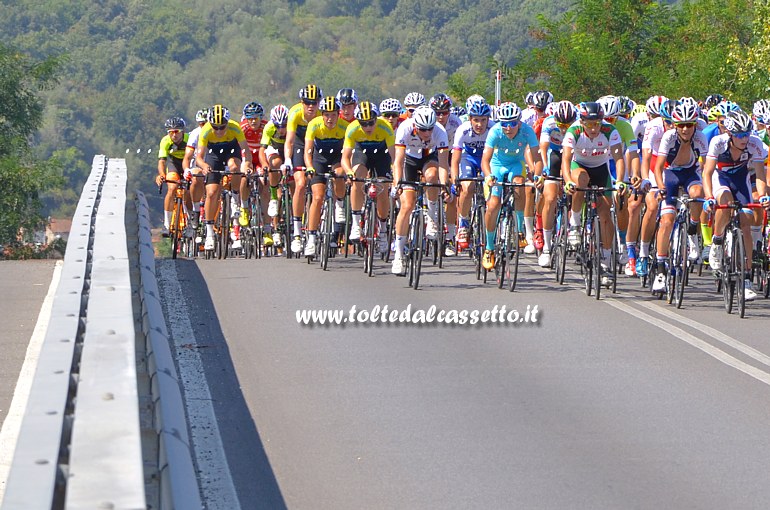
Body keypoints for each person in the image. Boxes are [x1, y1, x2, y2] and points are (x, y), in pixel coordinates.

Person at [703, 109, 770, 301]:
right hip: (720, 178)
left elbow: (759, 175)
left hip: (741, 180)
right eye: (740, 135)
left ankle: (747, 278)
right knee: (725, 202)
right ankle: (716, 241)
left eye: (747, 134)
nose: (744, 139)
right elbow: (707, 173)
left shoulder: (755, 144)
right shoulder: (718, 142)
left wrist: (763, 196)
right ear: (730, 134)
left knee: (746, 223)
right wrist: (708, 197)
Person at [562, 101, 626, 286]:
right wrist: (568, 182)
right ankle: (574, 224)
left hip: (600, 169)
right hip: (579, 166)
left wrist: (620, 180)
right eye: (589, 124)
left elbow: (618, 158)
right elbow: (566, 160)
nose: (593, 128)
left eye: (597, 123)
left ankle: (606, 262)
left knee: (606, 216)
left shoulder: (610, 131)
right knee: (580, 181)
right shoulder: (573, 131)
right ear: (582, 122)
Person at [650, 101, 707, 292]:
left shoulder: (700, 137)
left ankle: (692, 230)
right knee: (667, 220)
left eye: (689, 124)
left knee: (697, 194)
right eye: (681, 124)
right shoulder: (668, 137)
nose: (685, 129)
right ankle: (660, 270)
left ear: (695, 125)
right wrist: (660, 187)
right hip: (671, 174)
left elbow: (706, 167)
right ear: (674, 125)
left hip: (691, 173)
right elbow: (658, 168)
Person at [480, 102, 542, 271]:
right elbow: (485, 160)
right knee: (493, 205)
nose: (508, 128)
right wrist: (488, 177)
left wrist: (537, 175)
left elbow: (537, 159)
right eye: (504, 124)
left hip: (516, 164)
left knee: (520, 185)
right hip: (496, 166)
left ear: (519, 122)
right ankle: (489, 247)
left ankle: (520, 229)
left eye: (512, 123)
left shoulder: (527, 131)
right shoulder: (495, 131)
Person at [391, 105, 450, 275]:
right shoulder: (405, 128)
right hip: (409, 159)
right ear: (415, 126)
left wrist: (445, 185)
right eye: (423, 129)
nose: (427, 133)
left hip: (428, 157)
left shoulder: (439, 131)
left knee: (432, 176)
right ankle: (398, 255)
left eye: (429, 129)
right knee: (407, 206)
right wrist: (398, 184)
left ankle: (432, 216)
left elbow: (443, 164)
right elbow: (398, 162)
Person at [195, 104, 253, 251]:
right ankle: (209, 234)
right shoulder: (206, 131)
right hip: (213, 154)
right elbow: (199, 158)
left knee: (234, 167)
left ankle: (234, 199)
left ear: (227, 123)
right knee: (212, 193)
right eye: (216, 127)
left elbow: (245, 149)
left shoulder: (235, 128)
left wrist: (247, 164)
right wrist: (204, 166)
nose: (219, 130)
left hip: (231, 150)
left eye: (222, 127)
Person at [341, 101, 395, 251]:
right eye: (364, 124)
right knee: (357, 178)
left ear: (376, 119)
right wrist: (349, 173)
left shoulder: (385, 127)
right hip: (361, 153)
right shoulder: (352, 129)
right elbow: (345, 158)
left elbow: (394, 156)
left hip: (381, 156)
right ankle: (356, 223)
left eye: (371, 123)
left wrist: (394, 172)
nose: (368, 127)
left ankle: (383, 230)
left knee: (383, 188)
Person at [303, 96, 350, 257]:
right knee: (317, 197)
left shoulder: (345, 127)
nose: (330, 119)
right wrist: (309, 167)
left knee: (339, 173)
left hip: (337, 158)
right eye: (327, 115)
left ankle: (339, 202)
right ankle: (311, 238)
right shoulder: (314, 125)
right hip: (319, 159)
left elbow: (349, 152)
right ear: (322, 115)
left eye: (333, 115)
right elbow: (308, 150)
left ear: (339, 114)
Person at [452, 99, 494, 252]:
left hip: (487, 159)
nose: (479, 124)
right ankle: (463, 224)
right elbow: (455, 159)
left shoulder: (494, 128)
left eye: (483, 120)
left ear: (488, 119)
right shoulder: (462, 130)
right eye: (476, 120)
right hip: (468, 158)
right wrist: (455, 180)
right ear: (470, 119)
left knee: (491, 187)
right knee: (468, 186)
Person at [284, 84, 322, 253]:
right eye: (307, 102)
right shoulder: (295, 113)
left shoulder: (323, 113)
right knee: (299, 184)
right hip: (300, 144)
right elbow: (290, 141)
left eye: (314, 102)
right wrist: (287, 160)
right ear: (302, 102)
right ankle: (297, 233)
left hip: (317, 144)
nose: (311, 106)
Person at [156, 116, 190, 236]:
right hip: (173, 164)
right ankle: (166, 224)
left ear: (183, 131)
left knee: (188, 191)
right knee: (171, 188)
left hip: (188, 163)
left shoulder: (189, 139)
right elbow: (162, 161)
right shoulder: (165, 141)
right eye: (171, 132)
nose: (174, 135)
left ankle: (190, 222)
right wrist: (162, 175)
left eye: (177, 132)